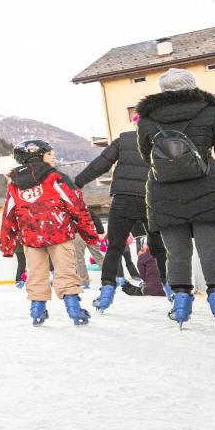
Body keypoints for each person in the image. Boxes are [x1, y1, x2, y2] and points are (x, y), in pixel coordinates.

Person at [133, 68, 215, 327]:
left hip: (164, 192)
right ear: (191, 85)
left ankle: (181, 305)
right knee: (211, 250)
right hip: (208, 188)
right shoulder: (209, 111)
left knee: (176, 253)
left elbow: (146, 157)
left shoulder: (146, 119)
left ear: (164, 90)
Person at [0, 138, 101, 326]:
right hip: (58, 232)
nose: (54, 157)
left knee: (36, 273)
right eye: (50, 154)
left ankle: (37, 311)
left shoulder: (14, 185)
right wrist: (89, 233)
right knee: (66, 270)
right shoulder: (55, 177)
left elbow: (8, 216)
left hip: (30, 236)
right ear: (38, 156)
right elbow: (76, 204)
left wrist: (7, 245)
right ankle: (75, 311)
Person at [73, 130, 148, 311]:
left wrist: (76, 183)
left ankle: (107, 292)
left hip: (123, 198)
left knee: (114, 247)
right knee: (161, 248)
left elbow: (100, 164)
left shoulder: (124, 139)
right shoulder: (162, 137)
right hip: (151, 198)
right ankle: (175, 293)